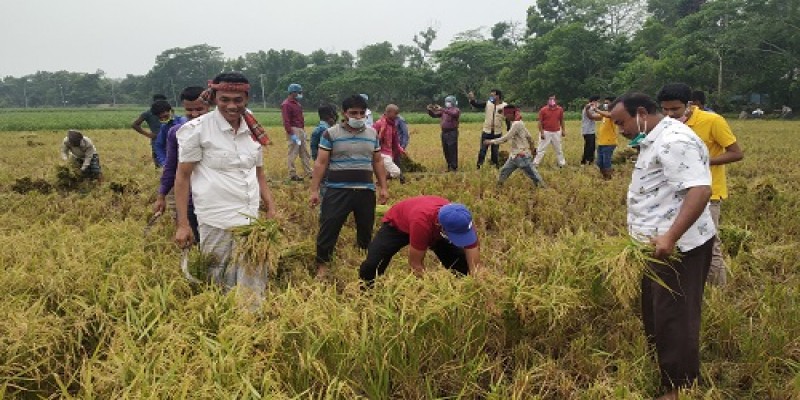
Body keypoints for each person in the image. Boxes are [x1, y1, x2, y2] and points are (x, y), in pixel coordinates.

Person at [610, 93, 715, 400]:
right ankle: (667, 371)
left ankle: (680, 387)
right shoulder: (653, 138)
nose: (619, 129)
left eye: (621, 122)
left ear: (641, 112)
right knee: (657, 312)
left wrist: (670, 236)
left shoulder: (674, 141)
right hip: (653, 246)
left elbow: (700, 189)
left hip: (678, 248)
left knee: (675, 316)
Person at [174, 72, 277, 306]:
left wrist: (270, 206)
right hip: (216, 219)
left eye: (238, 100)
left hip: (252, 222)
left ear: (247, 98)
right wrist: (182, 224)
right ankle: (223, 326)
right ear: (214, 98)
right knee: (218, 278)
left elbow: (258, 172)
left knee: (253, 279)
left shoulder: (252, 128)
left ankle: (251, 327)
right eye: (225, 99)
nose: (231, 106)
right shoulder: (197, 130)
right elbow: (182, 176)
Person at [658, 83, 744, 286]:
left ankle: (717, 294)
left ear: (689, 105)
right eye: (665, 109)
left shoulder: (712, 121)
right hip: (674, 194)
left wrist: (702, 161)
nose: (669, 114)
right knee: (676, 243)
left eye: (675, 109)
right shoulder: (665, 125)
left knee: (709, 246)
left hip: (707, 194)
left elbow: (736, 153)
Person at [309, 94, 389, 280]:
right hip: (337, 190)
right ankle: (322, 264)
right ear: (344, 113)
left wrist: (383, 187)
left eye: (362, 113)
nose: (358, 117)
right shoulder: (330, 134)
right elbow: (321, 163)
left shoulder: (372, 134)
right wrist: (314, 190)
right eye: (354, 113)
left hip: (365, 190)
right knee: (329, 226)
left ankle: (363, 261)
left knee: (365, 228)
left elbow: (377, 161)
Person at [359, 196, 482, 285]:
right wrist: (432, 290)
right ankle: (366, 293)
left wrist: (475, 283)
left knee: (461, 262)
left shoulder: (463, 219)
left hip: (432, 226)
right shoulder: (422, 223)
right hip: (398, 226)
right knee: (373, 264)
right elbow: (415, 264)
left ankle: (461, 288)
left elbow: (474, 260)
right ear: (441, 227)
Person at [152, 86, 210, 243]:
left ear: (209, 106)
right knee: (202, 245)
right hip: (192, 200)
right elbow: (171, 167)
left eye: (200, 109)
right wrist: (161, 195)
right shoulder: (177, 132)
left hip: (218, 201)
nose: (195, 114)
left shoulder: (224, 130)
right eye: (189, 110)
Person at [484, 105, 544, 187]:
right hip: (514, 156)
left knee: (534, 175)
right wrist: (533, 149)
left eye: (506, 115)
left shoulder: (516, 124)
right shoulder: (519, 123)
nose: (505, 117)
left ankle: (543, 188)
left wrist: (491, 141)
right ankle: (498, 187)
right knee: (504, 171)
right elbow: (529, 137)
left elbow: (506, 138)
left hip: (521, 156)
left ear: (511, 114)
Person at [468, 89, 508, 169]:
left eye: (493, 95)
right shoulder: (488, 103)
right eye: (491, 95)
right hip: (486, 131)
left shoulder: (504, 106)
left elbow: (508, 119)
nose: (491, 97)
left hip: (497, 132)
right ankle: (479, 166)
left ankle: (495, 167)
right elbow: (476, 105)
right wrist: (472, 99)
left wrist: (509, 130)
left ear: (498, 96)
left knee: (495, 151)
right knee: (482, 150)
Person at [282, 83, 312, 181]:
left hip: (300, 130)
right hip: (294, 130)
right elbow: (286, 121)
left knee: (304, 152)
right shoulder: (286, 104)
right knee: (293, 152)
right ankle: (292, 174)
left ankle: (309, 172)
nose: (300, 94)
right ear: (293, 92)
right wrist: (291, 134)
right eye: (298, 92)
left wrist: (303, 131)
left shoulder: (297, 104)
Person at [131, 94, 167, 167]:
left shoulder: (168, 112)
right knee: (159, 163)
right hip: (156, 141)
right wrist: (148, 134)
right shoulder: (148, 113)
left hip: (169, 140)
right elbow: (135, 125)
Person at [372, 104, 406, 182]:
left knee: (387, 171)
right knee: (396, 172)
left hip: (389, 153)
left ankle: (380, 181)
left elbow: (395, 140)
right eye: (396, 113)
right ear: (388, 112)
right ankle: (381, 180)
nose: (397, 116)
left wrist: (400, 149)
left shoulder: (392, 125)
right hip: (381, 152)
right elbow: (372, 137)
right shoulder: (379, 124)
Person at [427, 95, 461, 172]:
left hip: (452, 132)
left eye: (448, 101)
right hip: (444, 132)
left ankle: (454, 167)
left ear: (452, 102)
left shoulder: (456, 110)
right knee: (446, 150)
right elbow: (434, 115)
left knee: (452, 150)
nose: (447, 103)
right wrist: (430, 110)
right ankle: (449, 166)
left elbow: (454, 114)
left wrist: (442, 109)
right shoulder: (444, 111)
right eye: (446, 101)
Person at [533, 95, 567, 168]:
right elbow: (540, 122)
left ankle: (562, 164)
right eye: (550, 99)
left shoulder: (560, 109)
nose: (552, 101)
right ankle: (535, 164)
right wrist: (542, 133)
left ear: (556, 101)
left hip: (556, 132)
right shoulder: (543, 110)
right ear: (548, 101)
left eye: (553, 99)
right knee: (541, 149)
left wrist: (563, 130)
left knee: (559, 149)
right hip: (546, 132)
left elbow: (562, 120)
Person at [153, 100, 186, 168]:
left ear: (171, 111)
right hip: (174, 162)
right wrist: (164, 162)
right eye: (160, 118)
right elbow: (159, 145)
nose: (163, 119)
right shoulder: (164, 127)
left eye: (165, 116)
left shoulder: (183, 122)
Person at [595, 97, 619, 180]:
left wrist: (597, 110)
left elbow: (608, 115)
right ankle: (605, 176)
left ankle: (608, 178)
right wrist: (588, 110)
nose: (605, 105)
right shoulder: (604, 114)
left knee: (606, 162)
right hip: (601, 142)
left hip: (609, 143)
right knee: (599, 162)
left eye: (607, 103)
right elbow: (592, 116)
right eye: (605, 103)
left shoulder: (613, 113)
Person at [581, 96, 602, 165]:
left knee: (591, 147)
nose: (599, 103)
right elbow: (593, 117)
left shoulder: (591, 108)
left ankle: (588, 161)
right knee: (589, 147)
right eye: (598, 101)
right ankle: (586, 161)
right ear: (594, 101)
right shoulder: (589, 108)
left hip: (590, 131)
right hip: (588, 131)